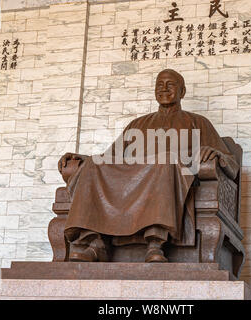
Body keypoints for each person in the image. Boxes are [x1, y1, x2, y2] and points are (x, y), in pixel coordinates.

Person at [58, 69, 239, 262]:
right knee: (93, 165)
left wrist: (217, 153)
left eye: (170, 84)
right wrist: (83, 159)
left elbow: (231, 164)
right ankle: (96, 243)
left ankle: (155, 243)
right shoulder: (138, 123)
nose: (164, 89)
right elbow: (109, 157)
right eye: (159, 85)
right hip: (132, 178)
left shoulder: (197, 122)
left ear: (182, 91)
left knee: (164, 161)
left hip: (169, 175)